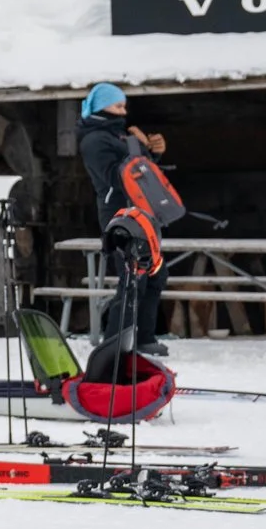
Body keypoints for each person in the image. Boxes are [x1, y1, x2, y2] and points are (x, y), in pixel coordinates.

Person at [76, 83, 170, 356]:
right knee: (132, 277)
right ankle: (116, 340)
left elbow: (145, 175)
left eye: (124, 106)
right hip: (120, 217)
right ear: (100, 107)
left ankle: (145, 337)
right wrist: (139, 150)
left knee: (155, 273)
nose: (123, 111)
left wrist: (154, 152)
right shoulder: (94, 140)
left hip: (142, 214)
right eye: (117, 106)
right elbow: (117, 178)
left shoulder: (119, 137)